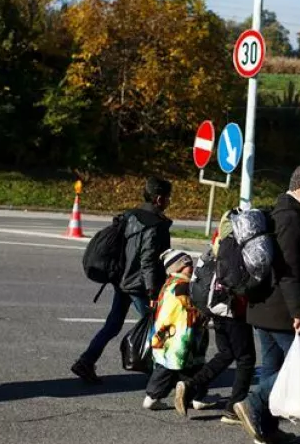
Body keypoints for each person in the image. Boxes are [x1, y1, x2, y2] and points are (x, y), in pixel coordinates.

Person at [233, 165, 300, 444]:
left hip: (263, 307)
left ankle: (266, 427)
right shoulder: (291, 218)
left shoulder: (277, 212)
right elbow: (289, 270)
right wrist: (299, 312)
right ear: (297, 187)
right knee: (293, 369)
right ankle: (252, 403)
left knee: (272, 368)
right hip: (282, 309)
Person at [71, 177, 173, 385]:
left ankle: (86, 361)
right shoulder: (154, 225)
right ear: (159, 199)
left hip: (121, 280)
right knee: (158, 326)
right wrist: (153, 293)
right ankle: (159, 375)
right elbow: (148, 261)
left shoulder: (130, 215)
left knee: (113, 324)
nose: (169, 202)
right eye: (168, 198)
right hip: (139, 286)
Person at [172, 232, 257, 423]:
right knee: (246, 359)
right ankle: (234, 408)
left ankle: (190, 385)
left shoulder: (218, 246)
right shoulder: (241, 248)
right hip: (233, 310)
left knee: (226, 353)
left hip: (215, 308)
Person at [143, 249, 212, 411]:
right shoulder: (183, 287)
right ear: (176, 268)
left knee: (167, 367)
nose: (191, 267)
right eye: (187, 265)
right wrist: (204, 316)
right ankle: (195, 398)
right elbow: (190, 310)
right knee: (185, 367)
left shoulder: (169, 284)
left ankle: (153, 396)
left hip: (167, 335)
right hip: (181, 336)